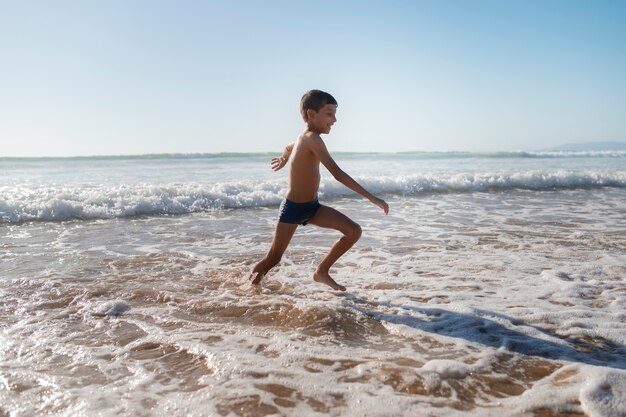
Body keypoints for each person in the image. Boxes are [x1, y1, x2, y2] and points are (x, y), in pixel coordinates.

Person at [249, 90, 389, 291]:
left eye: (334, 114)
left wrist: (284, 157)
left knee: (353, 231)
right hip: (293, 208)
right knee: (273, 258)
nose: (335, 119)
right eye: (329, 113)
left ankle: (321, 271)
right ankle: (247, 290)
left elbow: (289, 147)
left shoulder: (304, 139)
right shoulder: (313, 139)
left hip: (312, 207)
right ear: (311, 114)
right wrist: (372, 198)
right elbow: (338, 174)